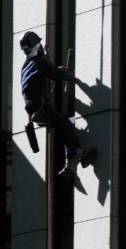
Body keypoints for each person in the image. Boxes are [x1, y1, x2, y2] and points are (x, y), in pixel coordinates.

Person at [20, 31, 97, 180]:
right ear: (36, 47)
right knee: (64, 124)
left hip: (32, 108)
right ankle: (82, 155)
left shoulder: (27, 65)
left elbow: (44, 74)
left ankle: (69, 165)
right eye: (39, 46)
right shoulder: (39, 62)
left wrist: (55, 70)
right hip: (39, 106)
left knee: (64, 128)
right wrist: (70, 77)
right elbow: (55, 74)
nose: (41, 48)